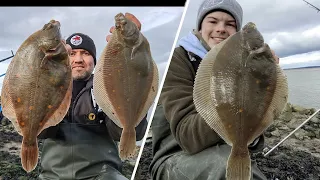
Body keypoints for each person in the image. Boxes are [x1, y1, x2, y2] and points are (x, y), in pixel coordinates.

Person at [149, 0, 280, 179]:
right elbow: (188, 137)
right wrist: (237, 96)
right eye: (213, 21)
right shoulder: (178, 59)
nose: (221, 29)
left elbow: (255, 143)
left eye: (230, 24)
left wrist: (262, 85)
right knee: (224, 169)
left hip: (228, 149)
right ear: (200, 26)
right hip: (173, 154)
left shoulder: (244, 65)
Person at [38, 13, 148, 180]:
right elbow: (42, 132)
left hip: (102, 175)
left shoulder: (106, 88)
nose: (78, 59)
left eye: (85, 53)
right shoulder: (51, 88)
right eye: (72, 54)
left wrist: (133, 66)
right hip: (52, 175)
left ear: (95, 60)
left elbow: (124, 133)